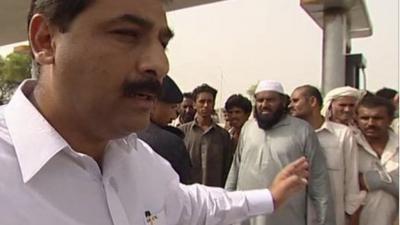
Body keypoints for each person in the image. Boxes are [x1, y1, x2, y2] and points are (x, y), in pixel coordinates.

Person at [0, 0, 310, 224]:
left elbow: (190, 205)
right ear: (46, 40)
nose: (160, 65)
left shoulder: (140, 161)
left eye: (162, 43)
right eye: (127, 34)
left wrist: (269, 197)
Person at [225, 80, 334, 225]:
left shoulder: (302, 130)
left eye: (270, 100)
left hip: (287, 217)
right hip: (247, 216)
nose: (264, 105)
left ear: (283, 102)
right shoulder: (248, 128)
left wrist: (325, 220)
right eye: (260, 100)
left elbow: (319, 182)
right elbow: (236, 170)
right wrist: (227, 207)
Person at [289, 85, 364, 225]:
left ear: (312, 102)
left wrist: (350, 214)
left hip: (332, 216)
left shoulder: (342, 134)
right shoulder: (290, 136)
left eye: (295, 101)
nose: (291, 105)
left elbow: (351, 180)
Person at [353, 96, 399, 225]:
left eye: (378, 118)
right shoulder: (349, 145)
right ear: (356, 120)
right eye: (365, 118)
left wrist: (369, 180)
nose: (371, 123)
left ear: (390, 120)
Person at [138, 75, 192, 184]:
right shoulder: (170, 143)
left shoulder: (120, 135)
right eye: (172, 107)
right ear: (153, 104)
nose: (174, 116)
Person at [179, 83, 233, 187]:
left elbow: (227, 168)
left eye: (209, 102)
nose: (205, 105)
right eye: (202, 101)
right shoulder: (182, 132)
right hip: (189, 193)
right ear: (194, 104)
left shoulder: (223, 135)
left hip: (214, 194)